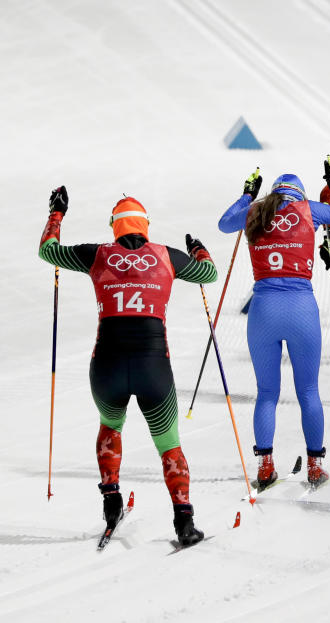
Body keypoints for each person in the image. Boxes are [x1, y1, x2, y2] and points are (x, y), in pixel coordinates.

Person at [39, 187, 218, 546]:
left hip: (106, 367)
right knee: (169, 445)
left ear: (114, 227)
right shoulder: (167, 255)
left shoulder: (99, 254)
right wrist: (198, 248)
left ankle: (111, 503)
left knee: (110, 425)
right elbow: (209, 273)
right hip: (154, 369)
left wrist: (57, 213)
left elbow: (47, 251)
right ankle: (184, 521)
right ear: (145, 226)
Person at [218, 164, 330, 491]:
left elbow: (225, 224)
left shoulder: (256, 211)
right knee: (308, 391)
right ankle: (315, 466)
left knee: (267, 393)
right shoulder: (309, 209)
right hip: (301, 308)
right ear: (299, 194)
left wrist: (247, 194)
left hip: (263, 309)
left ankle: (265, 467)